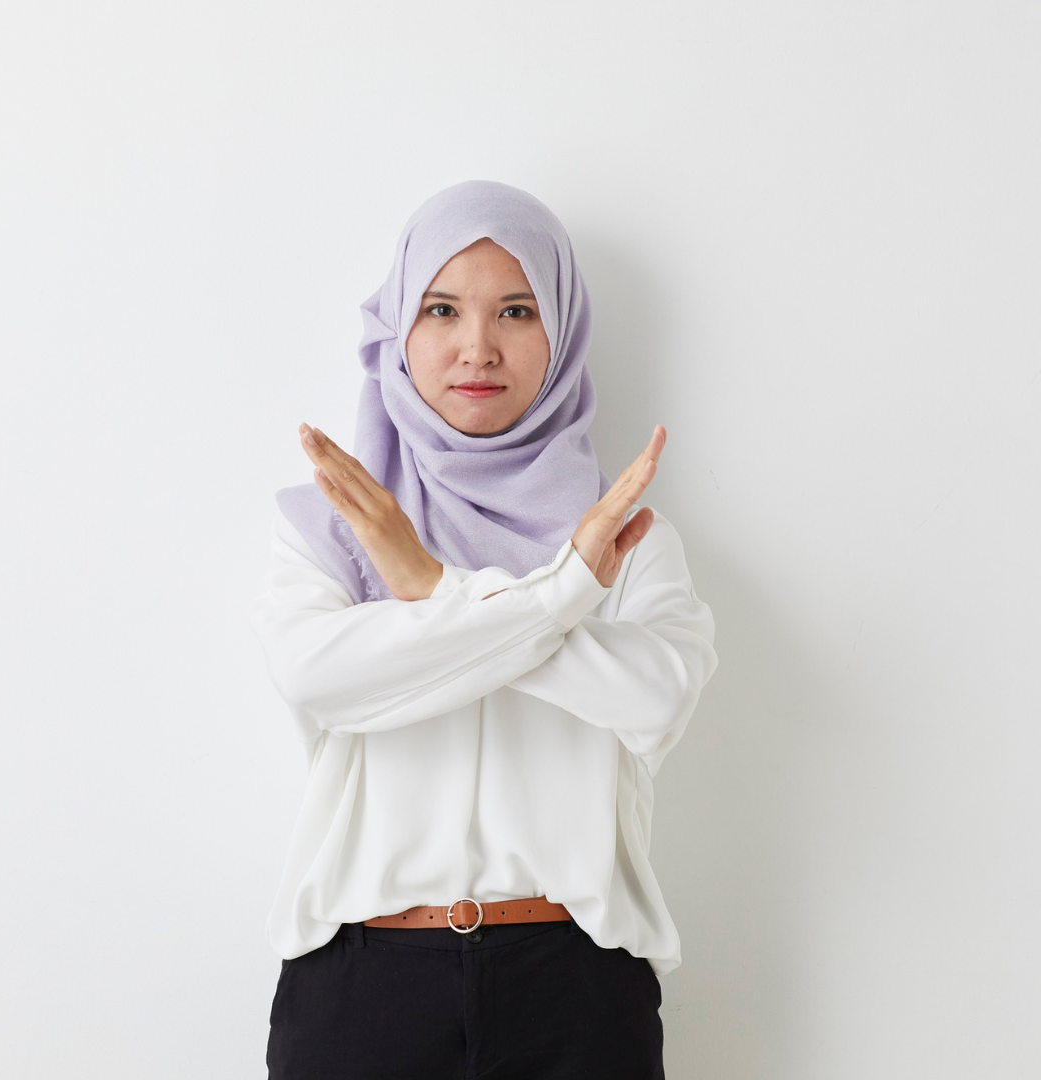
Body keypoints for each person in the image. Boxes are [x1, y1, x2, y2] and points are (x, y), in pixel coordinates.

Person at [249, 180, 718, 1079]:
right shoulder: (334, 529)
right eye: (441, 309)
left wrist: (427, 588)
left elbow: (656, 697)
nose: (477, 347)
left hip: (575, 986)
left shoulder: (625, 542)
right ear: (397, 332)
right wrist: (556, 598)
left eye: (515, 310)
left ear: (563, 331)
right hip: (360, 987)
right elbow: (319, 678)